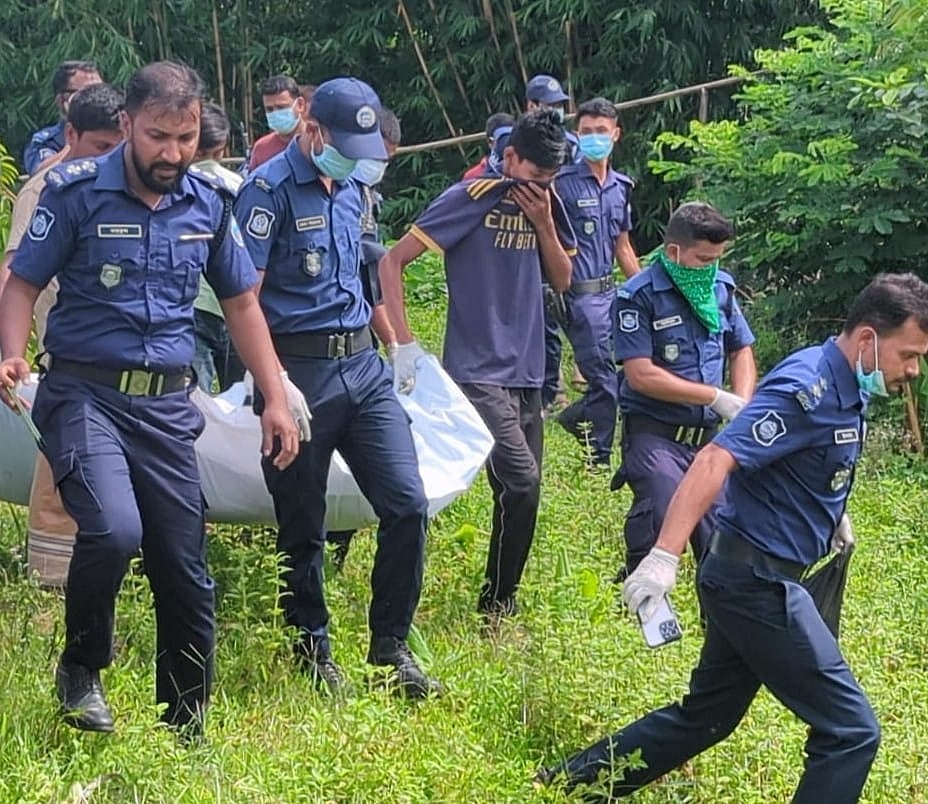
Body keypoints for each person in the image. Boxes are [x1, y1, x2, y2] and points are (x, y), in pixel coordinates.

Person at [539, 272, 928, 801]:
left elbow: (799, 460)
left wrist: (829, 511)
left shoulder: (844, 386)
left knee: (707, 716)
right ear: (867, 339)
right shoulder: (806, 387)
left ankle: (567, 786)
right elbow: (715, 459)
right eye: (909, 355)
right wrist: (663, 556)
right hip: (758, 584)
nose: (914, 370)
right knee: (851, 731)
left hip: (751, 575)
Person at [0, 60, 303, 736]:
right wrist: (11, 352)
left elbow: (242, 303)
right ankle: (82, 668)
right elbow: (20, 283)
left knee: (182, 564)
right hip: (85, 395)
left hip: (167, 407)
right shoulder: (75, 193)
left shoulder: (207, 201)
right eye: (158, 137)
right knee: (114, 529)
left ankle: (186, 725)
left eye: (185, 138)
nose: (172, 153)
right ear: (128, 123)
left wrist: (275, 395)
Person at [234, 77, 441, 698]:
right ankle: (311, 649)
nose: (355, 159)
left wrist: (396, 344)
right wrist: (274, 384)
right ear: (312, 128)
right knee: (304, 522)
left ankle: (391, 648)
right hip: (299, 374)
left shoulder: (354, 190)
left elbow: (360, 276)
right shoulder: (265, 192)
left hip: (362, 368)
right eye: (345, 146)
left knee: (407, 503)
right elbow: (243, 298)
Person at [379, 109, 575, 624]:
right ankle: (495, 602)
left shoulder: (547, 203)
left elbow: (563, 279)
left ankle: (498, 603)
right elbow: (391, 261)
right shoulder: (470, 198)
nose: (541, 186)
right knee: (522, 481)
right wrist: (403, 342)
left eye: (550, 179)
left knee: (521, 493)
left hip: (529, 369)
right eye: (534, 175)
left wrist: (543, 222)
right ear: (510, 156)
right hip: (477, 370)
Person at [0, 83, 125, 588]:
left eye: (119, 145)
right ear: (70, 134)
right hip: (69, 357)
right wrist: (10, 351)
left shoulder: (129, 182)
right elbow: (15, 275)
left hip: (131, 360)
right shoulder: (46, 189)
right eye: (101, 146)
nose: (111, 156)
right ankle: (51, 587)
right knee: (61, 475)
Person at [611, 202, 756, 578]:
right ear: (674, 251)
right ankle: (641, 596)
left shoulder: (719, 290)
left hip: (708, 440)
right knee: (661, 512)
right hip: (656, 435)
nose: (711, 267)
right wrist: (714, 396)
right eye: (704, 259)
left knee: (723, 537)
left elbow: (741, 348)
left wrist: (741, 400)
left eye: (717, 259)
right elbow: (641, 374)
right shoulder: (638, 296)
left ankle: (719, 609)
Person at [325, 106, 403, 569]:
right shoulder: (315, 190)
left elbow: (368, 279)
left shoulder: (364, 198)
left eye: (384, 159)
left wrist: (393, 343)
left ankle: (338, 545)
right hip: (313, 352)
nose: (375, 166)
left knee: (365, 454)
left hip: (359, 346)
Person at [553, 97, 641, 466]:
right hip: (578, 297)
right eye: (586, 131)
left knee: (637, 365)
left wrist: (647, 291)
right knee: (603, 379)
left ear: (616, 134)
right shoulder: (562, 184)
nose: (594, 138)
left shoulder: (621, 187)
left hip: (612, 294)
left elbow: (624, 247)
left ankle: (574, 418)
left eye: (601, 131)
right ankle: (599, 460)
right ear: (576, 134)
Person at [191, 101, 244, 392]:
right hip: (236, 302)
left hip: (196, 304)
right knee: (239, 395)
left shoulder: (174, 186)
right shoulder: (240, 185)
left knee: (194, 396)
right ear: (223, 147)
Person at [22, 60, 103, 174]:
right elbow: (42, 175)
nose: (97, 99)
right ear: (61, 101)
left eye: (101, 91)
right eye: (86, 94)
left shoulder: (120, 132)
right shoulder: (47, 141)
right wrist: (75, 141)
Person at [246, 75, 307, 172]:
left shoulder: (318, 142)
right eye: (269, 109)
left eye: (281, 107)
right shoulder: (261, 148)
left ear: (300, 105)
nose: (276, 113)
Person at [463, 112, 515, 180]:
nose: (508, 144)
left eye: (513, 138)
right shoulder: (474, 176)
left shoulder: (525, 168)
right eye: (503, 139)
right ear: (490, 142)